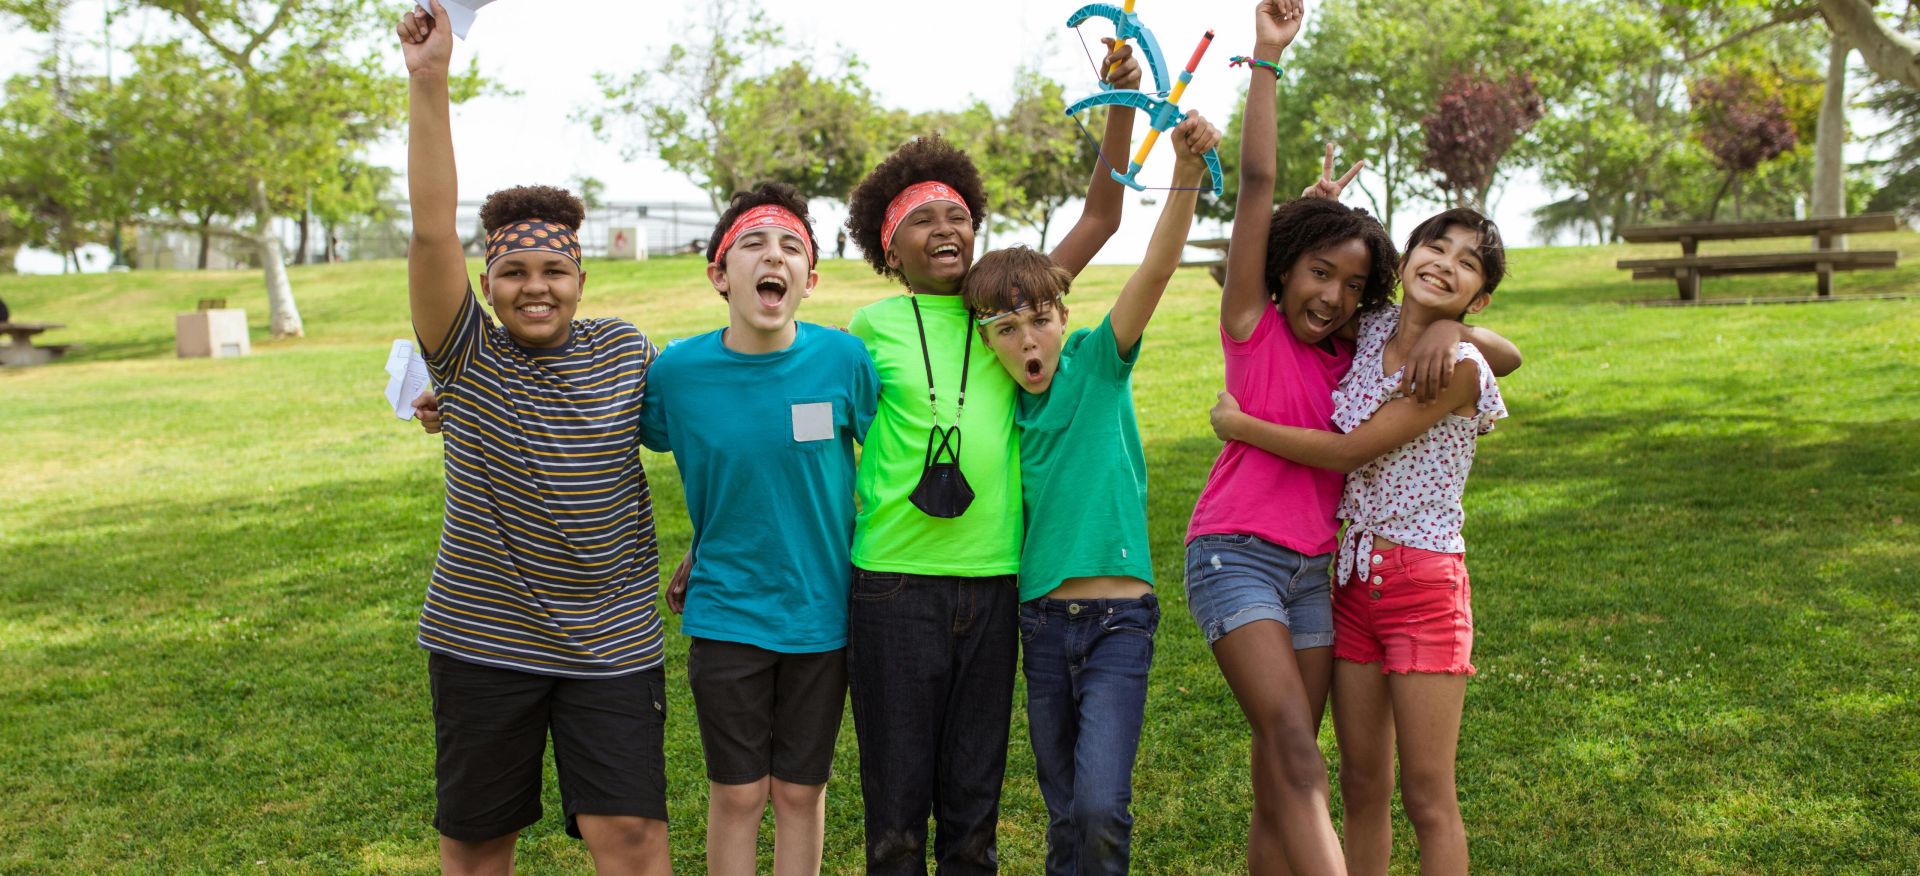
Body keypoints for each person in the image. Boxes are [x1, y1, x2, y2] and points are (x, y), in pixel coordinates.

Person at [1185, 4, 1522, 874]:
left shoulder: (1403, 354)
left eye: (1350, 283)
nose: (1332, 295)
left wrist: (1463, 335)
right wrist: (1267, 58)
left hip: (1360, 576)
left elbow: (1470, 354)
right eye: (1317, 272)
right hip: (1281, 565)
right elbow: (1258, 194)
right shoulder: (1298, 327)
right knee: (1316, 762)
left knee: (1339, 782)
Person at [836, 39, 1143, 875]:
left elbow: (1103, 219)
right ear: (886, 249)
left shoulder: (1009, 300)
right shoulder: (871, 329)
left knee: (974, 808)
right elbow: (812, 432)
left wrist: (1121, 105)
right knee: (896, 810)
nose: (946, 228)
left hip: (996, 582)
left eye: (957, 215)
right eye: (920, 221)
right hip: (893, 584)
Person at [397, 5, 669, 873]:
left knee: (630, 837)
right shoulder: (467, 351)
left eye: (554, 270)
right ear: (487, 283)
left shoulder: (627, 348)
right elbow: (433, 226)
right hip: (483, 638)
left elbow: (705, 439)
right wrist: (429, 80)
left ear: (581, 279)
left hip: (614, 639)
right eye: (513, 272)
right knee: (477, 845)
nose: (535, 287)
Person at [1208, 206, 1511, 876]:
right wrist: (1305, 222)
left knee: (1428, 797)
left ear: (1479, 295)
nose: (1445, 264)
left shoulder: (1458, 366)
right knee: (1362, 785)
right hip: (1347, 582)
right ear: (1402, 263)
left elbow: (1350, 453)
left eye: (1467, 263)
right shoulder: (1366, 328)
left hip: (1424, 585)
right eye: (1436, 247)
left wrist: (1240, 425)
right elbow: (1290, 296)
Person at [963, 113, 1219, 875]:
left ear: (1063, 318)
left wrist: (1186, 176)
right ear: (986, 342)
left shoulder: (1097, 364)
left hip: (1119, 626)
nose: (1028, 341)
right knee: (1066, 811)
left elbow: (1155, 268)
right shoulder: (995, 407)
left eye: (1039, 321)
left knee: (1103, 807)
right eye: (1006, 329)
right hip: (1040, 626)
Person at [638, 182, 877, 876]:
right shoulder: (677, 375)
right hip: (725, 613)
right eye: (754, 244)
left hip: (822, 613)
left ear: (809, 278)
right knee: (738, 793)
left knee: (801, 791)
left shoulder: (843, 362)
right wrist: (462, 396)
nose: (774, 257)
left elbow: (886, 470)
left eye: (791, 247)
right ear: (719, 273)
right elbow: (598, 421)